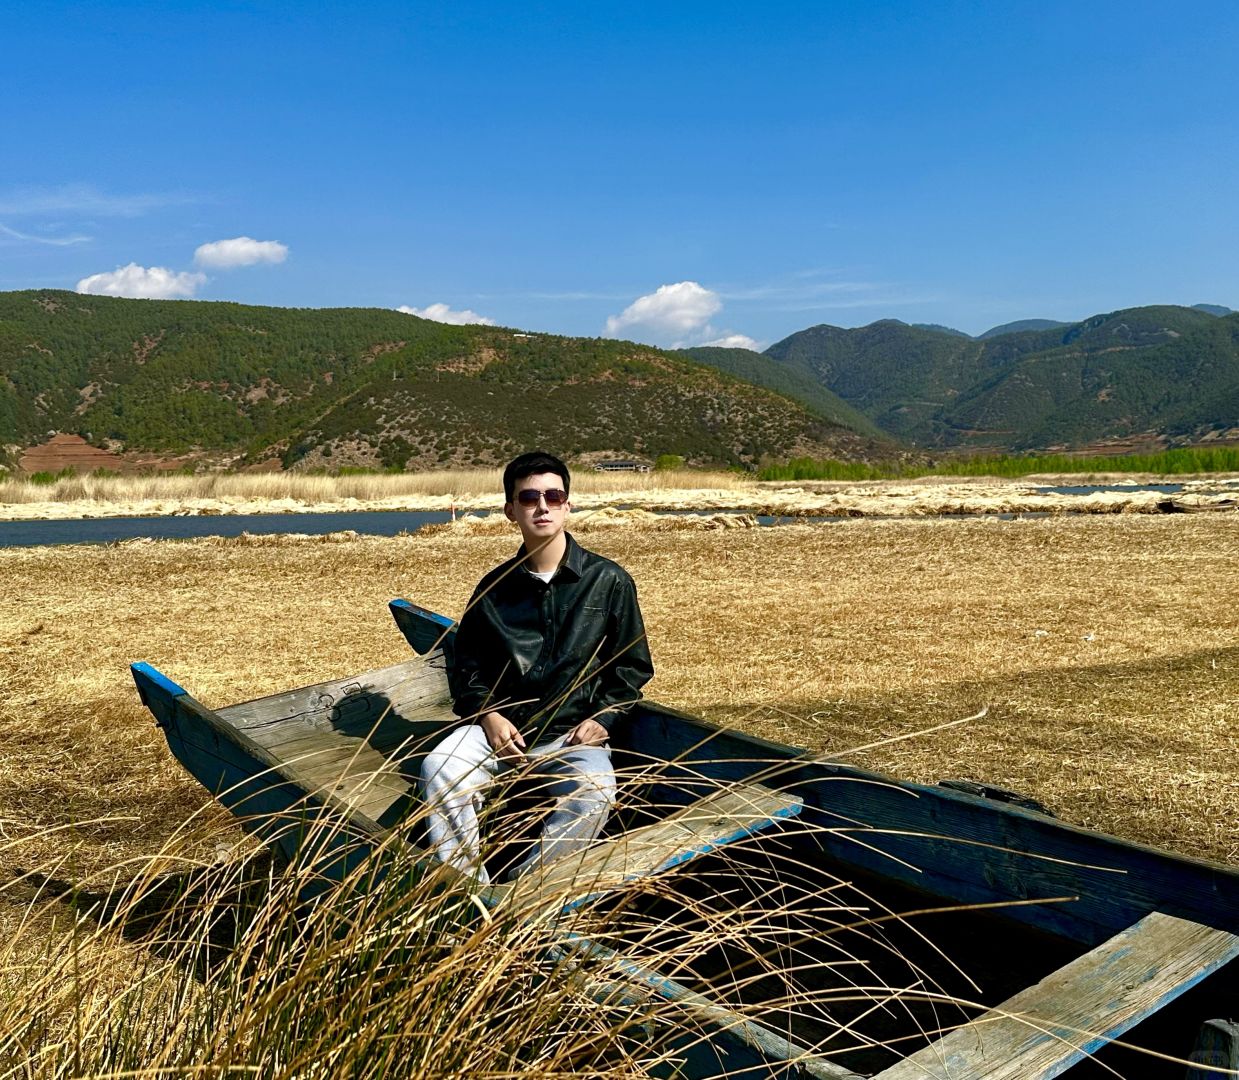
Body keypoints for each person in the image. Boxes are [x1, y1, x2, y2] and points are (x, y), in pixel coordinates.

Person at [419, 451, 654, 883]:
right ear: (511, 510)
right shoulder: (492, 589)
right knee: (440, 767)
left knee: (596, 791)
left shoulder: (609, 580)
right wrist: (488, 715)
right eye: (528, 497)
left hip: (571, 735)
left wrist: (604, 716)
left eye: (553, 495)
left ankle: (523, 897)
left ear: (567, 505)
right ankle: (469, 894)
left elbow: (632, 666)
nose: (542, 506)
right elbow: (467, 668)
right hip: (501, 733)